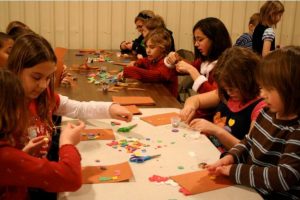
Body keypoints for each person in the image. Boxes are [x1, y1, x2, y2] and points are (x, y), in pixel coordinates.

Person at [207, 46, 300, 199]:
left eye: (269, 89)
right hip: (253, 190)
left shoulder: (296, 130)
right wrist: (231, 157)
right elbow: (249, 142)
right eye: (262, 87)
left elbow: (283, 177)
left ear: (291, 91)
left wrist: (234, 171)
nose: (262, 94)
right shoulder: (266, 113)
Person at [0, 69, 85, 200]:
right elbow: (71, 178)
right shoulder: (5, 157)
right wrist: (67, 142)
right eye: (21, 105)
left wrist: (23, 154)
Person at [186, 47, 265, 151]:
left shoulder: (260, 106)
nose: (228, 92)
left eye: (233, 88)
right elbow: (194, 100)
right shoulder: (226, 94)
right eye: (226, 88)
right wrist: (190, 107)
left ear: (248, 80)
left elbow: (250, 150)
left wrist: (216, 130)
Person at [165, 17, 232, 95]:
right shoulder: (204, 61)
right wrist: (171, 60)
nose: (196, 44)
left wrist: (192, 70)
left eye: (200, 40)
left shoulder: (226, 66)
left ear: (215, 39)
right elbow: (176, 70)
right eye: (195, 40)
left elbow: (213, 96)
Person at [118, 28, 178, 97]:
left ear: (163, 48)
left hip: (168, 101)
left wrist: (128, 71)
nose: (147, 51)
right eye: (146, 47)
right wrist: (136, 63)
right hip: (156, 95)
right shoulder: (154, 59)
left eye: (152, 47)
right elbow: (145, 61)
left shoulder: (167, 63)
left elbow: (154, 75)